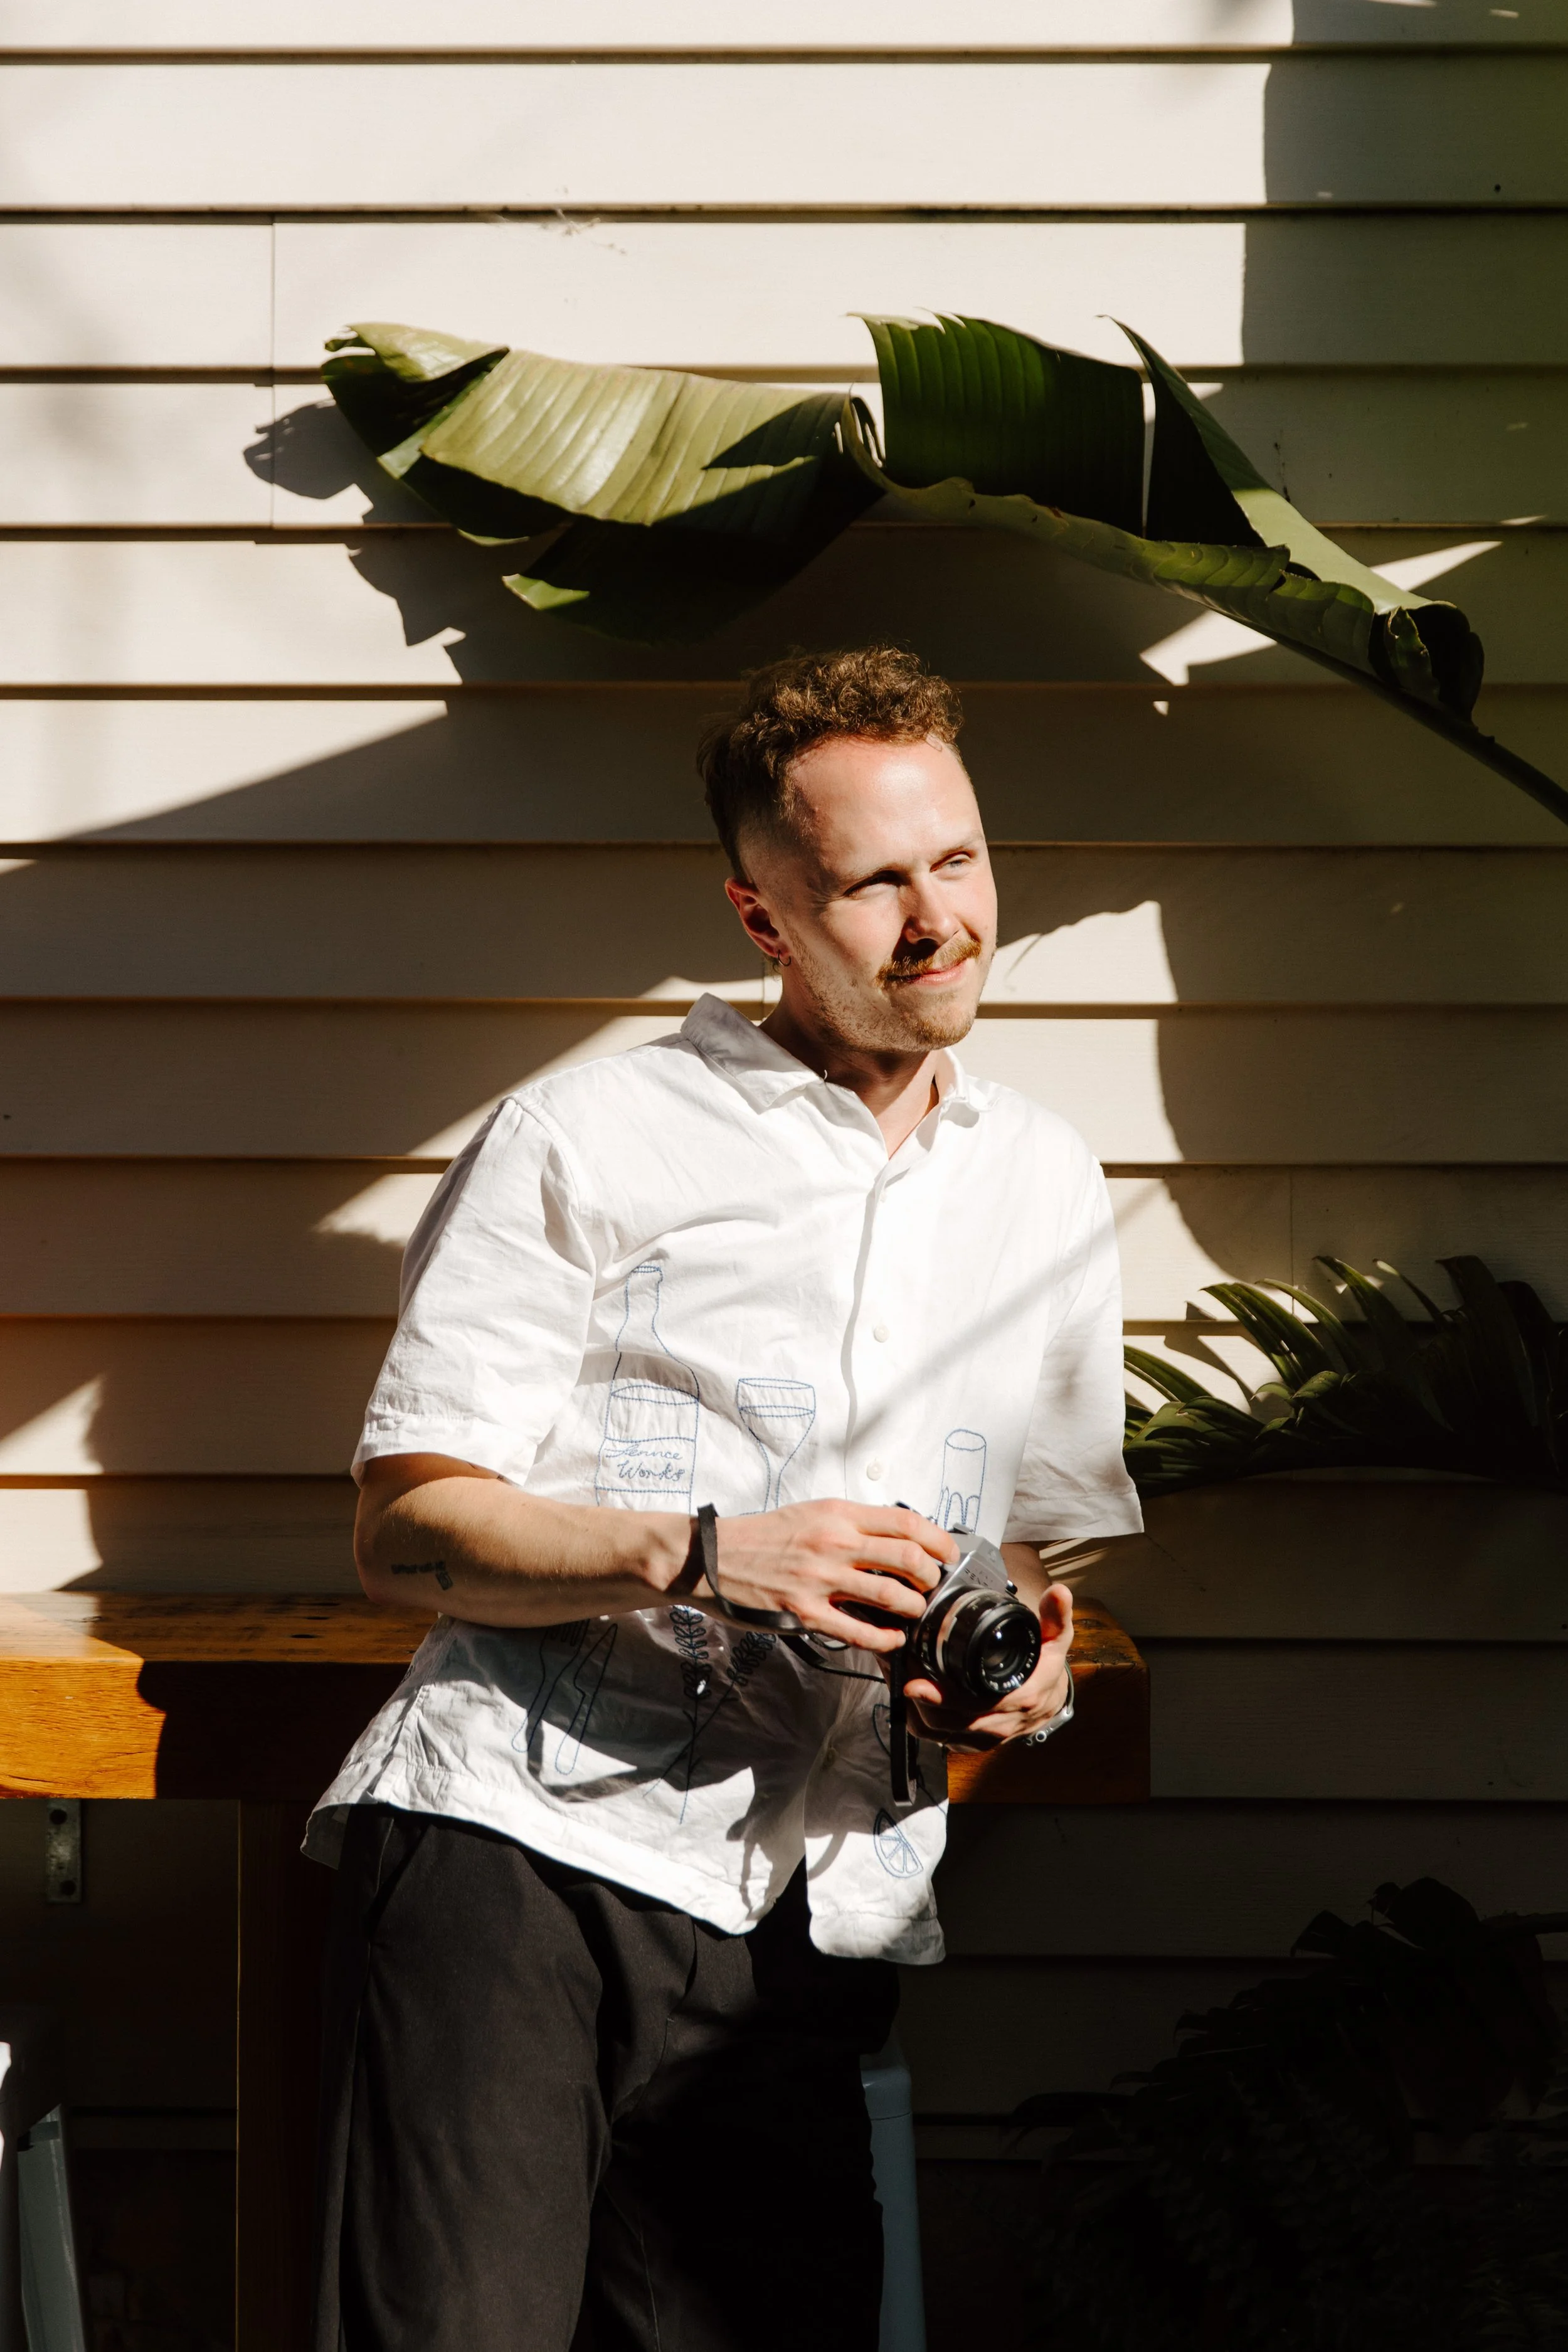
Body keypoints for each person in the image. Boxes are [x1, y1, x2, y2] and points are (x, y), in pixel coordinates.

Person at [307, 643, 1142, 2352]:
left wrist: (1028, 1666)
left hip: (804, 1911)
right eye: (873, 883)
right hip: (521, 1859)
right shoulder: (587, 1133)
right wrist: (702, 1554)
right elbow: (405, 1520)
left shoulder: (1046, 1182)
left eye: (960, 858)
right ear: (763, 917)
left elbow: (1028, 1551)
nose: (938, 921)